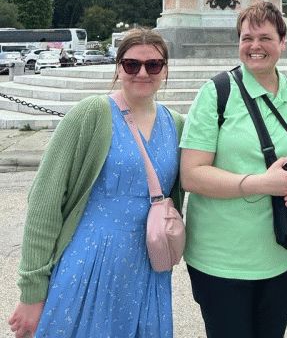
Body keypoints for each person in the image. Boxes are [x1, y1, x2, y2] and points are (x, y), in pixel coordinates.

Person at [8, 28, 184, 338]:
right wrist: (32, 291)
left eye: (153, 65)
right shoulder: (91, 114)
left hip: (149, 265)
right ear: (118, 67)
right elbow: (45, 202)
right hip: (90, 260)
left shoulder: (177, 124)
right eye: (132, 64)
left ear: (165, 70)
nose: (143, 73)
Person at [180, 1, 287, 338]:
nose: (255, 46)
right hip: (221, 258)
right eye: (247, 38)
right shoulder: (215, 93)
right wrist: (261, 183)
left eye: (265, 38)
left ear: (282, 41)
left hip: (281, 253)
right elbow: (191, 174)